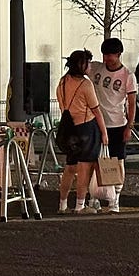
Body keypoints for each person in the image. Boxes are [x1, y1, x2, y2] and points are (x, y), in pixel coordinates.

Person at [56, 50, 109, 214]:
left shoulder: (63, 82)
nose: (90, 66)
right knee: (85, 168)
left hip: (68, 128)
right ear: (81, 65)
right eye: (88, 63)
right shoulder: (85, 85)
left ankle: (62, 205)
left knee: (70, 167)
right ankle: (80, 205)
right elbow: (96, 111)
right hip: (86, 128)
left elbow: (61, 104)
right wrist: (104, 133)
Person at [88, 37, 136, 213]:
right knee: (94, 160)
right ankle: (94, 196)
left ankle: (115, 198)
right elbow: (82, 66)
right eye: (105, 55)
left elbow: (132, 102)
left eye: (110, 55)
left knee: (117, 161)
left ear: (119, 54)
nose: (107, 58)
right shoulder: (96, 68)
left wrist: (129, 126)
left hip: (117, 124)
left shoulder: (128, 76)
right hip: (96, 123)